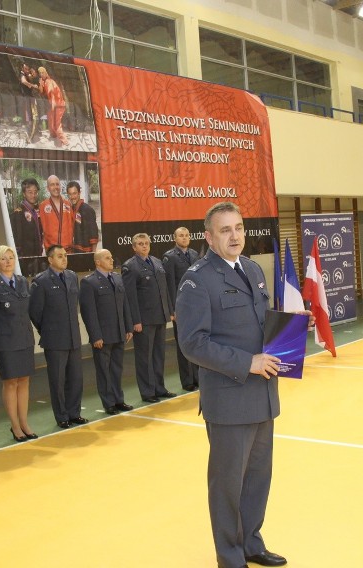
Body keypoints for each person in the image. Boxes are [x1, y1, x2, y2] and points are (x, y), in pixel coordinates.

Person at [176, 202, 312, 568]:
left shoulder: (252, 270)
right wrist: (246, 362)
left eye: (238, 227)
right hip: (229, 399)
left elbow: (256, 323)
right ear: (208, 236)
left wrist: (291, 324)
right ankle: (230, 556)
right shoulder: (197, 279)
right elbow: (192, 343)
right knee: (227, 487)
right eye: (225, 230)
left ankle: (251, 543)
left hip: (262, 394)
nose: (235, 235)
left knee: (256, 480)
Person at [0, 246, 38, 443]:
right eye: (3, 259)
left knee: (24, 380)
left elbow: (28, 311)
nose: (8, 262)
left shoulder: (23, 282)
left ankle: (24, 422)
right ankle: (14, 426)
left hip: (24, 339)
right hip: (6, 342)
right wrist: (3, 334)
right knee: (10, 382)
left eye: (11, 258)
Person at [29, 244, 86, 429]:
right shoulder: (41, 281)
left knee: (75, 378)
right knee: (58, 380)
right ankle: (62, 416)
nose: (64, 258)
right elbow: (35, 312)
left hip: (72, 336)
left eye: (65, 255)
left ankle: (74, 412)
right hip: (54, 339)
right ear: (50, 259)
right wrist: (47, 329)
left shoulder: (71, 276)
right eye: (59, 256)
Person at [79, 249, 134, 415]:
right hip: (102, 335)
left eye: (111, 257)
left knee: (117, 369)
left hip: (118, 332)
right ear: (97, 262)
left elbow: (124, 304)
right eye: (107, 258)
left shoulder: (117, 278)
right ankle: (108, 402)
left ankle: (119, 399)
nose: (111, 260)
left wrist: (128, 327)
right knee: (104, 370)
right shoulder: (89, 282)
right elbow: (89, 312)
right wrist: (95, 335)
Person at [121, 232, 175, 403]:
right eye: (140, 244)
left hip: (160, 316)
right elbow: (130, 297)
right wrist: (135, 321)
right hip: (143, 320)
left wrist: (170, 311)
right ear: (134, 247)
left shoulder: (157, 262)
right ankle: (147, 392)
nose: (144, 246)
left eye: (146, 243)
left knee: (159, 355)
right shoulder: (130, 266)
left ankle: (159, 388)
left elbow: (164, 290)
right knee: (145, 357)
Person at [162, 226, 201, 391]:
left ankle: (198, 377)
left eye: (186, 235)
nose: (184, 238)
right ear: (175, 238)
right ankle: (187, 381)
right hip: (181, 308)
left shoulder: (194, 254)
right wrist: (173, 309)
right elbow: (170, 285)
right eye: (181, 236)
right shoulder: (169, 257)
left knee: (199, 341)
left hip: (197, 306)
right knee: (183, 344)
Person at [9, 177, 44, 260]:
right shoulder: (18, 213)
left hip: (38, 255)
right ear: (24, 194)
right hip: (26, 258)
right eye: (30, 192)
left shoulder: (37, 211)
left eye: (35, 192)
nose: (33, 195)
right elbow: (17, 240)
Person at [39, 175, 75, 253]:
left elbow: (73, 224)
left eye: (57, 184)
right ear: (48, 188)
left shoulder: (68, 204)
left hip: (68, 250)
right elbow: (40, 228)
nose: (55, 187)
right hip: (52, 250)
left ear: (60, 186)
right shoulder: (43, 206)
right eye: (52, 184)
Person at [66, 180, 99, 253]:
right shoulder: (71, 210)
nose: (72, 197)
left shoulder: (87, 209)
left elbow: (93, 233)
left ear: (79, 193)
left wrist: (92, 254)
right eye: (70, 194)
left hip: (86, 251)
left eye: (74, 193)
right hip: (75, 250)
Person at [38, 66, 68, 145]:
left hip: (57, 105)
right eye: (40, 73)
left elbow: (52, 94)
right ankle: (53, 135)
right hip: (54, 104)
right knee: (50, 119)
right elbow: (41, 92)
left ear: (46, 73)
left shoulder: (49, 82)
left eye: (42, 72)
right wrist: (40, 84)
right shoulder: (44, 82)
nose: (41, 74)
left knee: (56, 124)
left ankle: (65, 141)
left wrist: (53, 106)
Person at [18, 63, 41, 143]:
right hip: (27, 98)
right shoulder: (22, 74)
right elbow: (23, 81)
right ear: (22, 68)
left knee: (33, 115)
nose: (27, 70)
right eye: (26, 69)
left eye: (28, 69)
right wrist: (31, 85)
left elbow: (33, 77)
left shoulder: (28, 75)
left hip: (30, 98)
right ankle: (30, 136)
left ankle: (33, 133)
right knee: (30, 116)